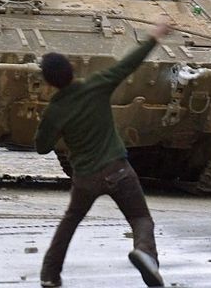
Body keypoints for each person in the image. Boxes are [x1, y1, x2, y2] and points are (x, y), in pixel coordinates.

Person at [35, 24, 170, 287]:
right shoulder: (96, 85)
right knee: (140, 218)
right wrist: (153, 37)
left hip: (85, 178)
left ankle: (50, 276)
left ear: (48, 81)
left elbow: (42, 146)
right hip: (118, 170)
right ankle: (145, 254)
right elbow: (127, 65)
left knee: (70, 222)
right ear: (72, 69)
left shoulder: (55, 109)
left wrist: (49, 124)